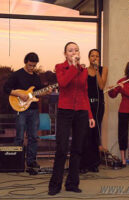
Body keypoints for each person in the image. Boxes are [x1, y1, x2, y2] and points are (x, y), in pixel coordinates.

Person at [48, 42, 95, 195]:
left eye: (76, 50)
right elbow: (63, 83)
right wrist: (74, 67)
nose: (74, 52)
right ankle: (55, 186)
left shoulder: (84, 71)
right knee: (61, 148)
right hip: (65, 111)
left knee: (77, 149)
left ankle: (72, 184)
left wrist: (90, 115)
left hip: (81, 111)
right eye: (70, 50)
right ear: (65, 54)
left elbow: (84, 92)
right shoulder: (60, 67)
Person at [4, 52, 51, 169]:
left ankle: (31, 161)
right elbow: (6, 88)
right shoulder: (17, 75)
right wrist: (18, 93)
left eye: (34, 66)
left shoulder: (36, 77)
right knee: (19, 137)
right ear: (25, 62)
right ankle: (17, 161)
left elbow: (38, 93)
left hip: (34, 110)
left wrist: (46, 91)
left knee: (33, 137)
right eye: (30, 65)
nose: (32, 68)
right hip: (21, 110)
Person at [80, 49, 108, 173]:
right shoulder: (84, 71)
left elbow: (101, 86)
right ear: (88, 57)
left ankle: (94, 163)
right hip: (86, 104)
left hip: (98, 105)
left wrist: (97, 71)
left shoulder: (103, 69)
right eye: (92, 56)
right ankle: (84, 163)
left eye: (97, 56)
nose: (95, 58)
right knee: (85, 134)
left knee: (96, 133)